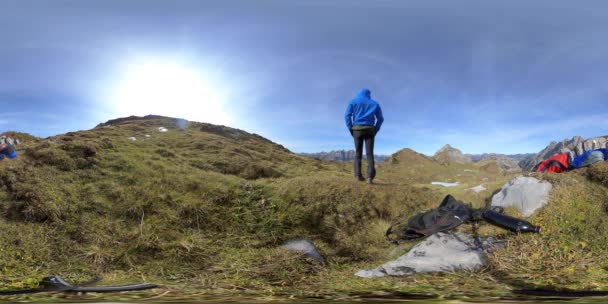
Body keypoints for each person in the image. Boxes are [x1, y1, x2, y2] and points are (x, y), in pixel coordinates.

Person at [344, 88, 384, 184]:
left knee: (358, 153)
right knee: (369, 154)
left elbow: (347, 116)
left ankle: (358, 175)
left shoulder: (353, 102)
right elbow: (380, 118)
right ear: (369, 94)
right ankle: (369, 177)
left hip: (357, 129)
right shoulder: (375, 104)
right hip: (370, 130)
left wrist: (351, 128)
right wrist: (376, 129)